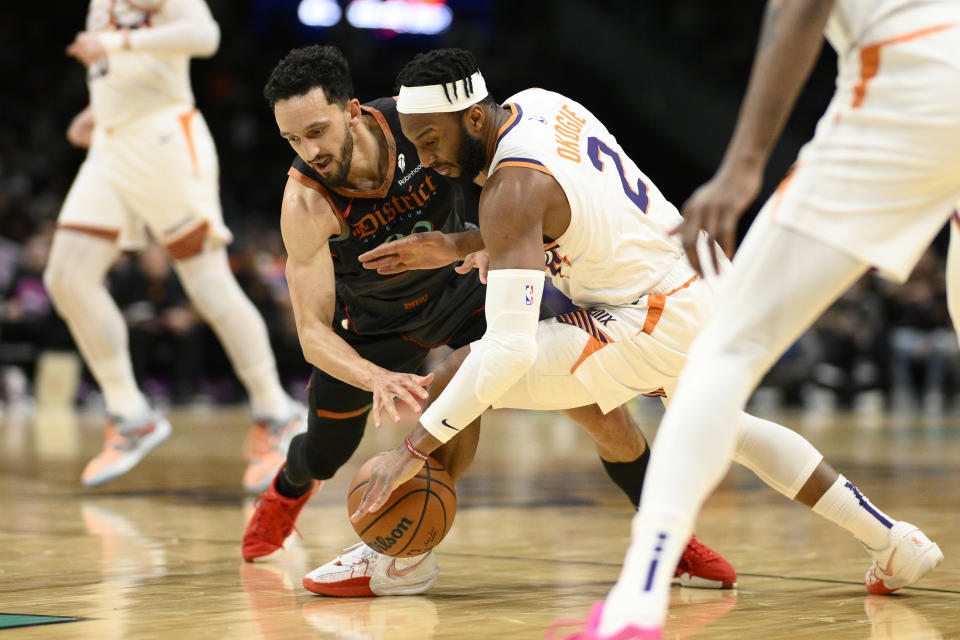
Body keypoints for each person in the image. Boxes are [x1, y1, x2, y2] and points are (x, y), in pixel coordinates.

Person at [346, 47, 943, 636]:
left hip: (652, 314)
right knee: (729, 430)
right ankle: (895, 542)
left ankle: (400, 561)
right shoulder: (539, 103)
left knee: (462, 374)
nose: (426, 161)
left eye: (430, 141)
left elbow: (510, 348)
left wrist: (411, 452)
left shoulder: (510, 191)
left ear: (473, 118)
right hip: (700, 272)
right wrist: (463, 245)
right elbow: (574, 206)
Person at [240, 45, 735, 596]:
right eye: (293, 141)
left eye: (317, 131)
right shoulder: (305, 202)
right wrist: (374, 377)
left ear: (352, 110)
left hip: (462, 296)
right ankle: (286, 490)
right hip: (376, 332)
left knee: (603, 415)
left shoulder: (416, 123)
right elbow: (311, 332)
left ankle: (671, 543)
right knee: (326, 451)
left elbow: (495, 182)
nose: (310, 152)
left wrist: (484, 245)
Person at [572, 0, 960, 637]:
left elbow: (799, 6)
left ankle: (636, 602)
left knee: (726, 351)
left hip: (915, 78)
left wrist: (743, 163)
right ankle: (891, 541)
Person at [46, 0, 305, 491]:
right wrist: (96, 108)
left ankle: (277, 411)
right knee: (66, 277)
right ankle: (130, 413)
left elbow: (203, 34)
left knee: (207, 284)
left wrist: (117, 43)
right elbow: (127, 63)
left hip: (162, 138)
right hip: (111, 143)